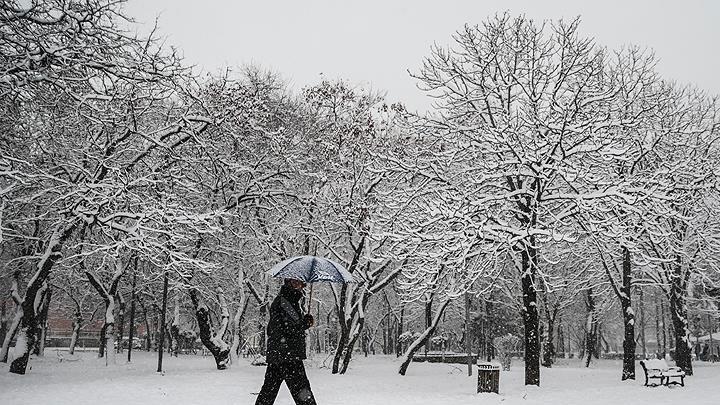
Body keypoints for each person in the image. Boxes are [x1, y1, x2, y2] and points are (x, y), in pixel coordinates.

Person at [255, 278, 317, 405]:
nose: (302, 287)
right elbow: (288, 328)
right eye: (299, 283)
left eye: (302, 284)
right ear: (291, 283)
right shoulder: (285, 302)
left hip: (279, 354)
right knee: (303, 392)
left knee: (268, 393)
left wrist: (303, 322)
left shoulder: (287, 301)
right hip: (288, 355)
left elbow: (288, 326)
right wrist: (304, 324)